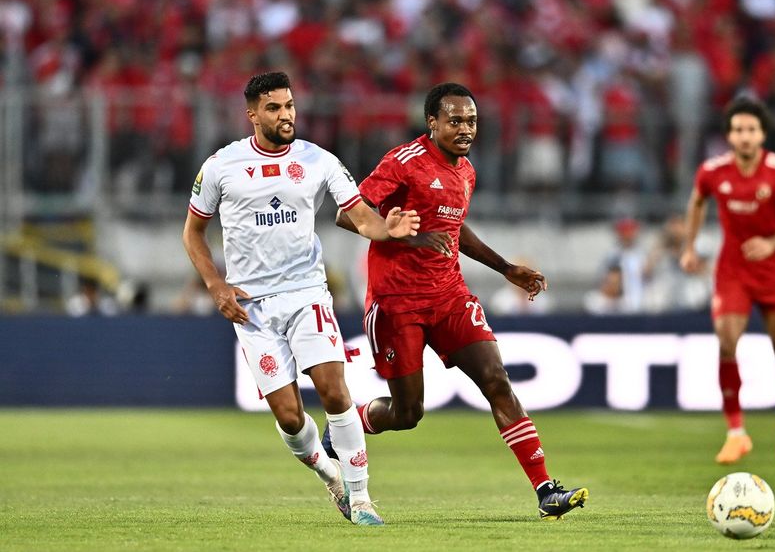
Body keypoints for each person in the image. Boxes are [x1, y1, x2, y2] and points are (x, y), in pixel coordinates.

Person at [329, 82, 588, 520]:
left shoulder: (466, 171)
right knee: (409, 412)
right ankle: (348, 425)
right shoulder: (403, 162)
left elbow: (455, 230)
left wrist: (506, 268)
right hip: (397, 303)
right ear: (432, 123)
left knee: (496, 379)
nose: (465, 128)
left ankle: (545, 489)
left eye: (471, 121)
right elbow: (346, 213)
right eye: (455, 121)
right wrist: (396, 231)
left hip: (449, 297)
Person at [182, 71, 422, 526]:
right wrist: (216, 285)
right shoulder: (221, 166)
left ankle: (362, 498)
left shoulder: (320, 161)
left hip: (307, 293)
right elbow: (193, 233)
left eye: (289, 105)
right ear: (252, 114)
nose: (285, 115)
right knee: (291, 418)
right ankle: (330, 476)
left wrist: (385, 229)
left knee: (335, 391)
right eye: (273, 108)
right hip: (252, 307)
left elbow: (361, 216)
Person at [679, 95, 775, 466]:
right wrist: (689, 248)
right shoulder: (712, 172)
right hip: (733, 271)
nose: (744, 136)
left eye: (751, 130)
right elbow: (696, 202)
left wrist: (772, 242)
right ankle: (736, 433)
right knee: (726, 342)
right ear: (729, 135)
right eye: (738, 129)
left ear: (762, 135)